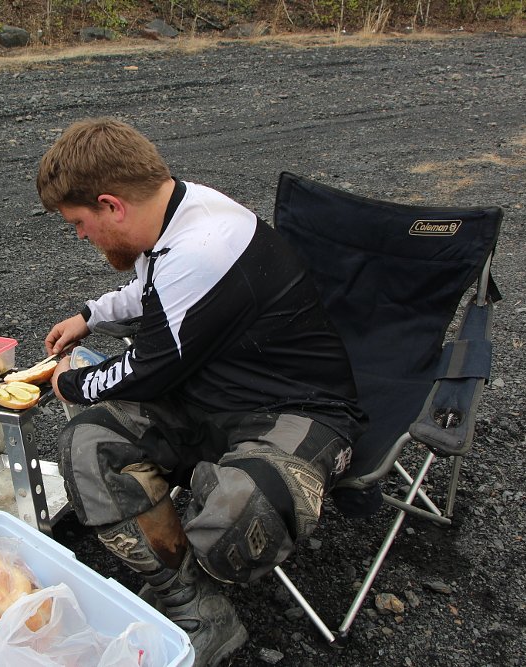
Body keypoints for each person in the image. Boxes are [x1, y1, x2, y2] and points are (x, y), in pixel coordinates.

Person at [36, 118, 366, 666]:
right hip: (208, 394)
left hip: (299, 408)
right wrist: (91, 315)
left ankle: (199, 542)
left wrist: (69, 380)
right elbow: (154, 289)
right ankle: (191, 604)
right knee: (90, 444)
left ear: (112, 205)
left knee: (237, 513)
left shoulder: (205, 244)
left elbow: (147, 370)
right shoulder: (179, 208)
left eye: (79, 222)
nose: (81, 236)